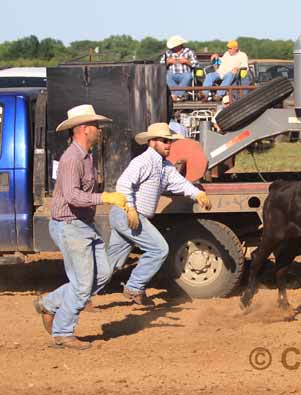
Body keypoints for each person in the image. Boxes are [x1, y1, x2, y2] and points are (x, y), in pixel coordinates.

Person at [33, 105, 128, 350]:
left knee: (104, 273)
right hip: (70, 225)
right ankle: (63, 332)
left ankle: (50, 303)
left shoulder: (87, 157)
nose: (98, 130)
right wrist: (105, 198)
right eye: (95, 126)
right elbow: (73, 196)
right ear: (84, 129)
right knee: (83, 284)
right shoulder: (72, 158)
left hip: (83, 224)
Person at [107, 123, 212, 306]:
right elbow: (123, 184)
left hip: (126, 215)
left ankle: (78, 291)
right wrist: (130, 208)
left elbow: (179, 183)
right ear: (152, 142)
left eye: (169, 141)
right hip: (129, 214)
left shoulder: (164, 166)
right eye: (164, 141)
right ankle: (134, 287)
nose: (168, 145)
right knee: (159, 249)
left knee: (112, 263)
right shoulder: (143, 161)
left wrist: (197, 194)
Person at [160, 35, 198, 102]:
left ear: (179, 45)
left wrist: (187, 62)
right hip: (172, 74)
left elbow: (196, 64)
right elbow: (160, 66)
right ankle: (178, 96)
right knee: (166, 76)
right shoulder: (167, 53)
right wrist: (167, 62)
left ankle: (175, 96)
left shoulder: (189, 52)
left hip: (184, 73)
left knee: (188, 76)